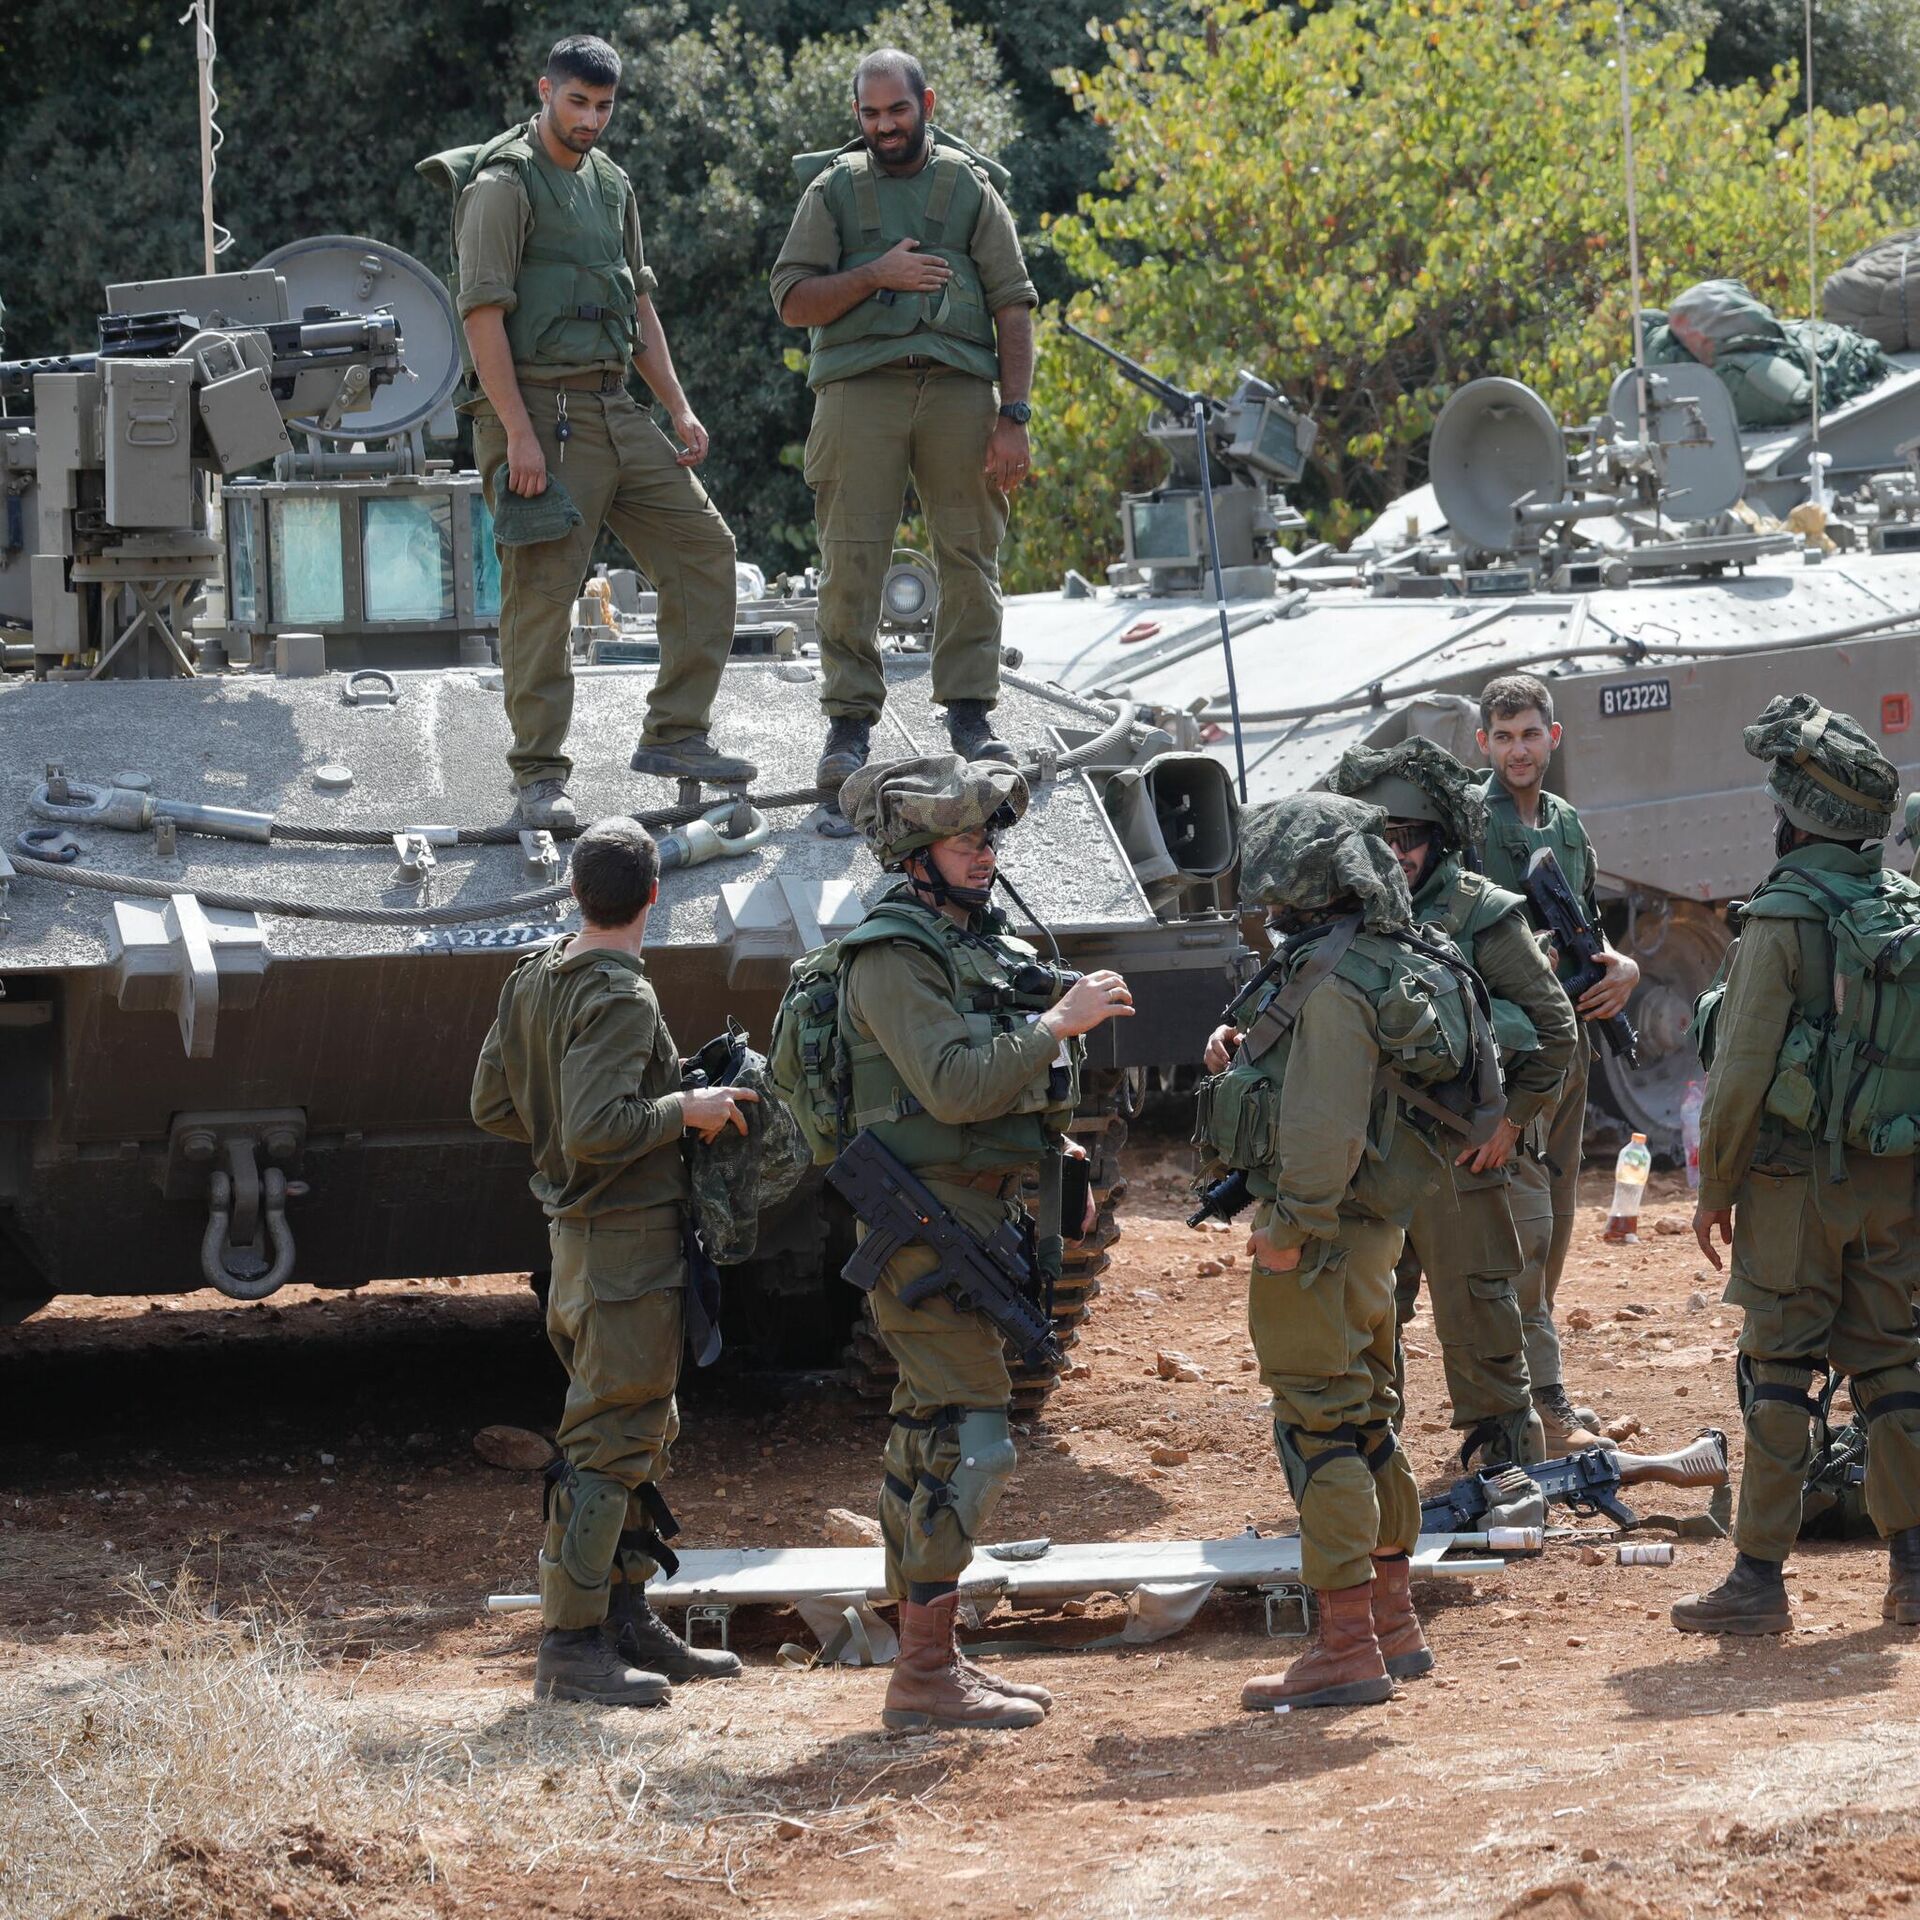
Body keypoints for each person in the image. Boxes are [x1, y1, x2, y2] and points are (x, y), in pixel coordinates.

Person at [835, 753, 1133, 1729]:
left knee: (931, 1436)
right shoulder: (892, 952)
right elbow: (957, 1084)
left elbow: (1012, 1091)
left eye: (990, 836)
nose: (984, 851)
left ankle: (928, 1661)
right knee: (975, 1442)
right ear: (916, 851)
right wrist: (1058, 1022)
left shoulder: (974, 938)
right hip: (921, 1227)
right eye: (966, 838)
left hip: (980, 1212)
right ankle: (923, 1673)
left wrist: (1065, 1162)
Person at [1197, 793, 1490, 1709]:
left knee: (1320, 1425)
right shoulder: (1394, 957)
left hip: (1320, 1233)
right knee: (1369, 1419)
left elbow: (1322, 1128)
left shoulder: (1329, 980)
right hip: (1377, 1230)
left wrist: (1286, 1233)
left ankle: (1345, 1647)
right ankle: (1393, 1624)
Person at [471, 816, 758, 1704]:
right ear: (655, 896)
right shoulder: (621, 995)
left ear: (573, 893)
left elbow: (491, 1104)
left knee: (638, 1430)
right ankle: (569, 1644)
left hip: (579, 1247)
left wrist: (561, 1142)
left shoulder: (535, 977)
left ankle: (624, 1618)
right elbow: (600, 1128)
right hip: (625, 1251)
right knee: (608, 1442)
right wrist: (685, 1111)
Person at [438, 33, 755, 832]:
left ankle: (677, 733)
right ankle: (539, 777)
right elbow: (480, 315)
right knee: (543, 592)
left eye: (603, 106)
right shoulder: (503, 184)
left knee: (704, 550)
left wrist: (677, 405)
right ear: (546, 90)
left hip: (616, 405)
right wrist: (517, 433)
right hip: (538, 409)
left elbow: (637, 304)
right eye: (576, 101)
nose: (589, 119)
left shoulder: (613, 184)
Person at [1673, 695, 1920, 1635]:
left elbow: (1736, 1076)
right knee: (1893, 1369)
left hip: (1791, 1191)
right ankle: (1911, 1574)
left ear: (1795, 818)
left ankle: (1758, 1583)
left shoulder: (1780, 919)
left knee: (1779, 1370)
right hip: (1889, 1181)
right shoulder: (1904, 911)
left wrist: (1714, 1191)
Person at [771, 47, 1037, 793]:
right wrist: (875, 275)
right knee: (851, 558)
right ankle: (849, 725)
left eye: (897, 110)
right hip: (860, 390)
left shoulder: (969, 190)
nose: (885, 126)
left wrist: (1013, 415)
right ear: (857, 115)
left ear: (928, 104)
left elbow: (1013, 304)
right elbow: (792, 301)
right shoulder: (832, 192)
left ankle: (971, 716)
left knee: (970, 556)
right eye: (870, 113)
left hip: (959, 390)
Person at [1325, 737, 1581, 1464]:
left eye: (1408, 838)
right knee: (1367, 1316)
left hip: (1456, 1155)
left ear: (1436, 840)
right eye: (1381, 837)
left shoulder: (1479, 913)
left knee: (1480, 1316)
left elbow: (1556, 1030)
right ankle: (1372, 1461)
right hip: (1368, 1152)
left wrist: (1512, 1121)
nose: (1395, 853)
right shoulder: (1345, 910)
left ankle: (1507, 1464)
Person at [1475, 674, 1640, 1450]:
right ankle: (1537, 1405)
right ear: (1484, 743)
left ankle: (1532, 1393)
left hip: (1569, 1050)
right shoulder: (1473, 826)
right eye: (1503, 736)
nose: (1518, 750)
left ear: (1554, 737)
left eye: (1529, 734)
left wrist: (1623, 969)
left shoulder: (1567, 824)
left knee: (1563, 1220)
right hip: (1513, 1057)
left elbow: (1589, 928)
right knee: (1525, 1233)